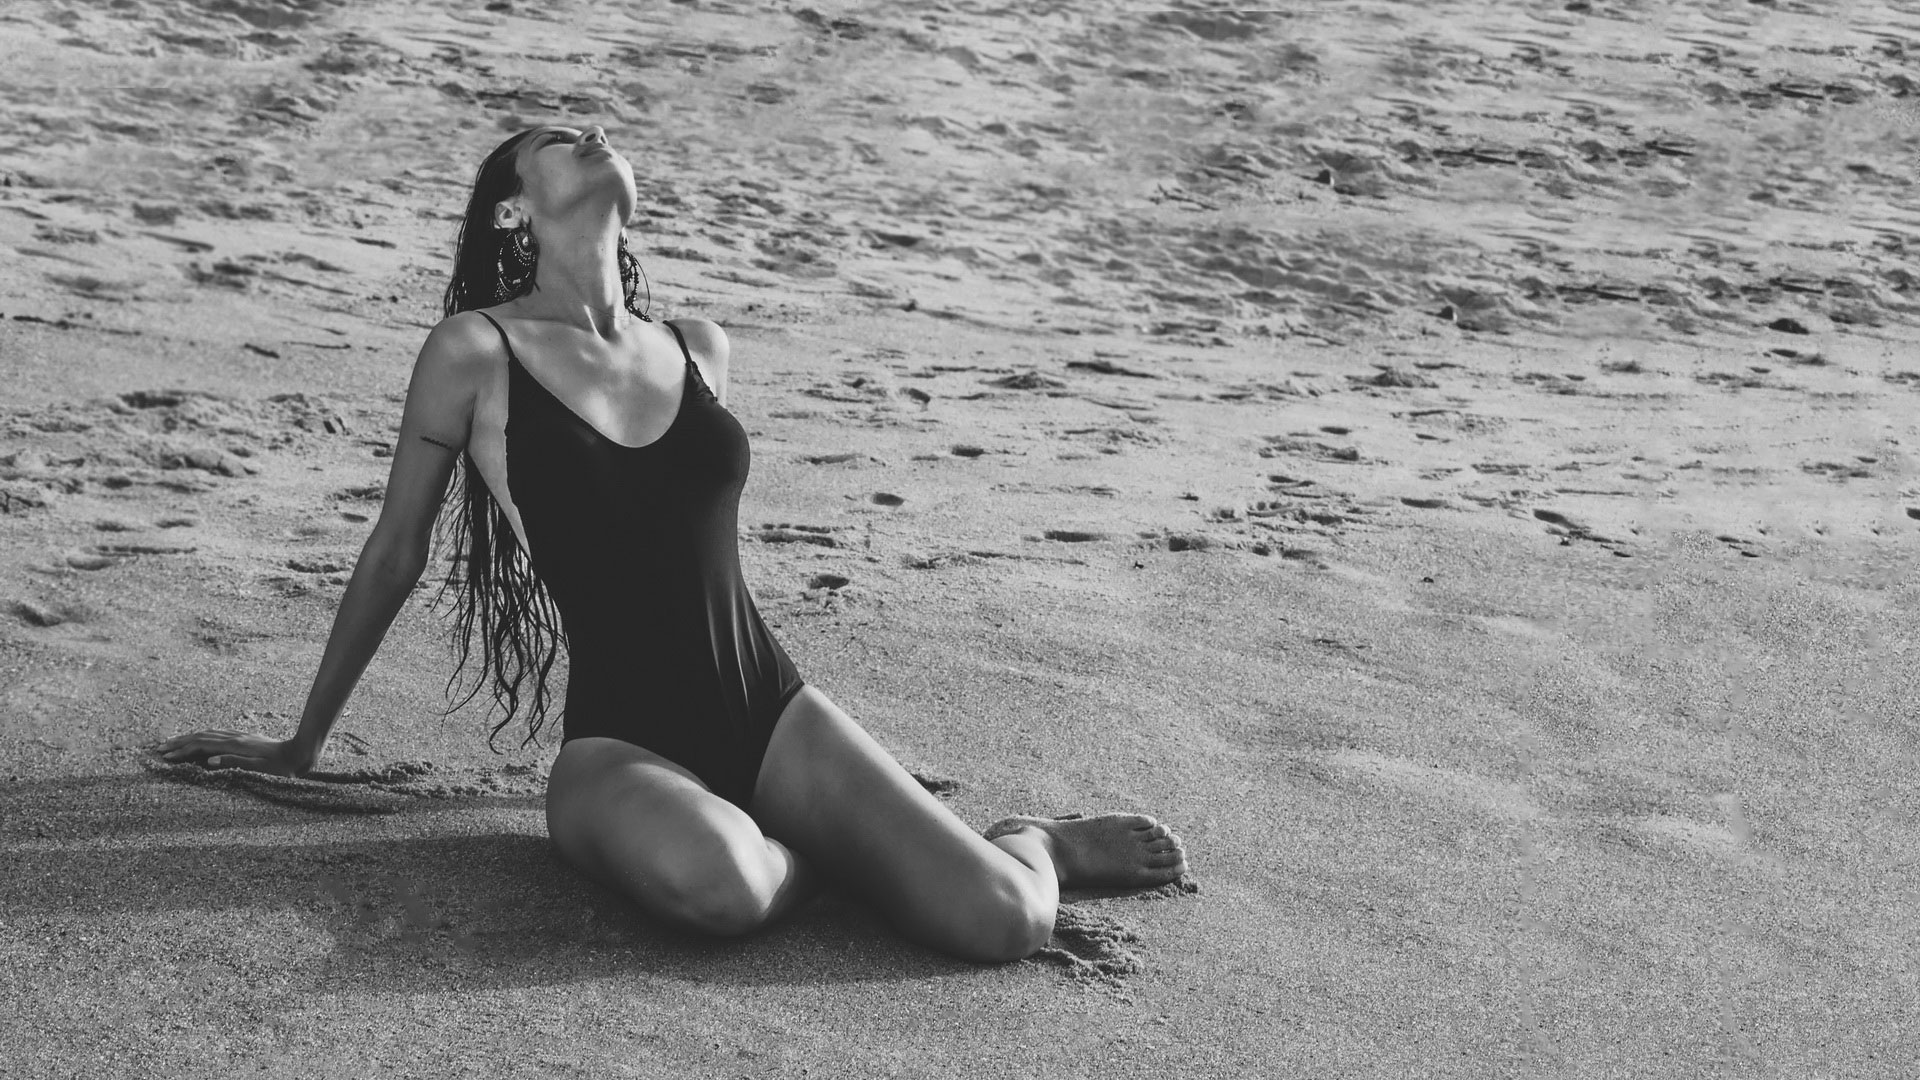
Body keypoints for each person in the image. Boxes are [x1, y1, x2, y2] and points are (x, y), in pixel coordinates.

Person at [156, 124, 1187, 962]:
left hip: (770, 710)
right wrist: (303, 742)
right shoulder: (476, 351)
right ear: (515, 209)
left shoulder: (698, 348)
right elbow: (396, 547)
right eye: (558, 141)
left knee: (1007, 919)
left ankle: (1035, 840)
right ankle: (824, 860)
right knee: (719, 889)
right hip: (621, 748)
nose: (593, 132)